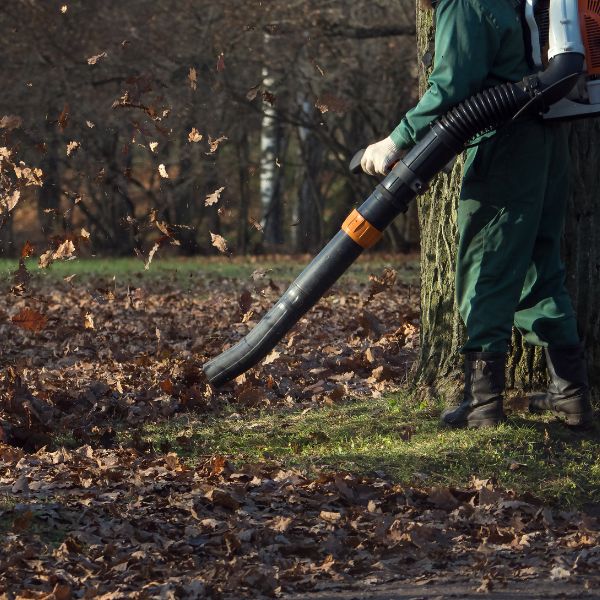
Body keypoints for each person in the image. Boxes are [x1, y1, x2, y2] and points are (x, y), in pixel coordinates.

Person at [361, 0, 593, 428]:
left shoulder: (468, 2)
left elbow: (450, 87)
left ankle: (483, 403)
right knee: (538, 265)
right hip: (546, 139)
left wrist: (395, 141)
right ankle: (572, 395)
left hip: (506, 143)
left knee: (486, 263)